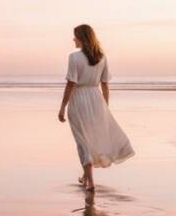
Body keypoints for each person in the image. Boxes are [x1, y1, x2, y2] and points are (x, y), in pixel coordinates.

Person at [58, 24, 135, 191]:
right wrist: (105, 106)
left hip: (79, 99)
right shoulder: (102, 57)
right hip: (96, 99)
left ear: (82, 38)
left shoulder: (74, 57)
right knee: (90, 138)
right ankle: (86, 177)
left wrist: (63, 106)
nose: (73, 39)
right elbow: (105, 84)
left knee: (83, 141)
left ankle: (90, 182)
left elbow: (71, 84)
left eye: (75, 36)